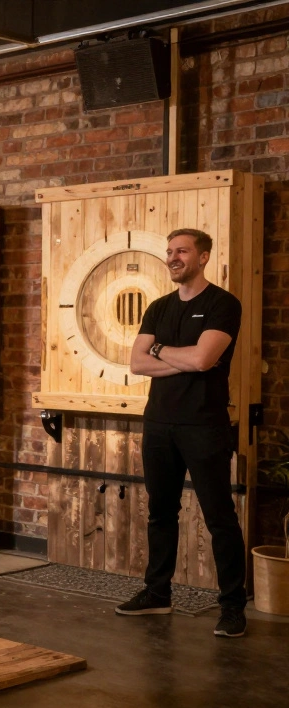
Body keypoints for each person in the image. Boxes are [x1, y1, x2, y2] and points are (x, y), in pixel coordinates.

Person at [119, 228, 247, 638]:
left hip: (204, 425)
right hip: (158, 422)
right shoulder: (158, 307)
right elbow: (137, 363)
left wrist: (164, 352)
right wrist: (182, 359)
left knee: (219, 517)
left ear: (204, 256)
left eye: (182, 251)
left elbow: (206, 358)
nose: (173, 258)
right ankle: (157, 593)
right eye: (170, 251)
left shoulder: (223, 304)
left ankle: (232, 607)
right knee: (160, 513)